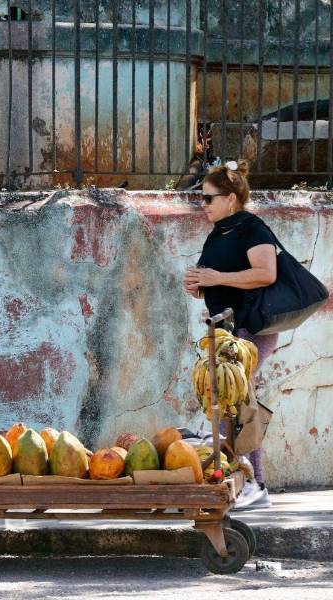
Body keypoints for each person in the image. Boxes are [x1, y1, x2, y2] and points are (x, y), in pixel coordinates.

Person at [183, 159, 278, 510]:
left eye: (209, 198)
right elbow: (213, 279)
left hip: (252, 327)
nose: (203, 204)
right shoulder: (220, 232)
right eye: (202, 198)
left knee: (238, 402)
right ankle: (231, 478)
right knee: (226, 402)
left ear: (232, 198)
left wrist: (215, 279)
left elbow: (266, 273)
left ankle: (257, 483)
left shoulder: (253, 229)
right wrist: (196, 285)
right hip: (224, 330)